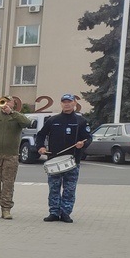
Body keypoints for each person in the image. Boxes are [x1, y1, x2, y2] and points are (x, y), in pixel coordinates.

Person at [35, 94, 93, 223]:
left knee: (69, 189)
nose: (66, 104)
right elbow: (40, 135)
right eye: (64, 102)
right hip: (54, 160)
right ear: (61, 104)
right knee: (54, 188)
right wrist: (41, 147)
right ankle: (54, 212)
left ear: (74, 103)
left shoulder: (81, 121)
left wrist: (83, 144)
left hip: (73, 161)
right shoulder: (52, 120)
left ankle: (66, 213)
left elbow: (89, 138)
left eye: (69, 102)